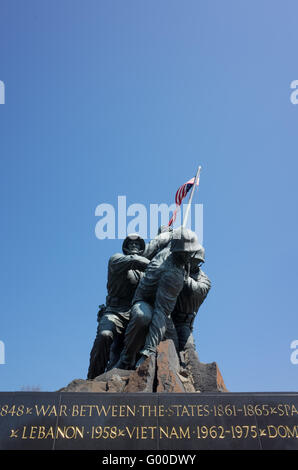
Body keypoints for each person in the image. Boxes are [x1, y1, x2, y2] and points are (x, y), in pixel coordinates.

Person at [114, 227, 202, 369]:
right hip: (144, 301)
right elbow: (154, 243)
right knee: (142, 316)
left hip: (162, 309)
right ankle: (126, 358)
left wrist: (149, 349)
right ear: (180, 251)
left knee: (174, 344)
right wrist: (148, 353)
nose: (190, 255)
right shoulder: (172, 272)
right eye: (188, 252)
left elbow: (161, 313)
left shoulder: (175, 270)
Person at [87, 233, 150, 379]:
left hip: (134, 311)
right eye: (131, 244)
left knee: (144, 320)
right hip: (114, 311)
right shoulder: (116, 260)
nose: (134, 246)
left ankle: (127, 365)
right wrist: (156, 264)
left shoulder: (146, 273)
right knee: (104, 335)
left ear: (142, 249)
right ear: (125, 247)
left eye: (138, 244)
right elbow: (133, 260)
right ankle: (93, 377)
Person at [171, 246, 211, 352]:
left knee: (189, 348)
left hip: (184, 322)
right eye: (194, 260)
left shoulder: (204, 280)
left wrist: (183, 276)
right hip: (168, 316)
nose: (196, 264)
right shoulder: (176, 267)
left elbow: (197, 290)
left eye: (199, 262)